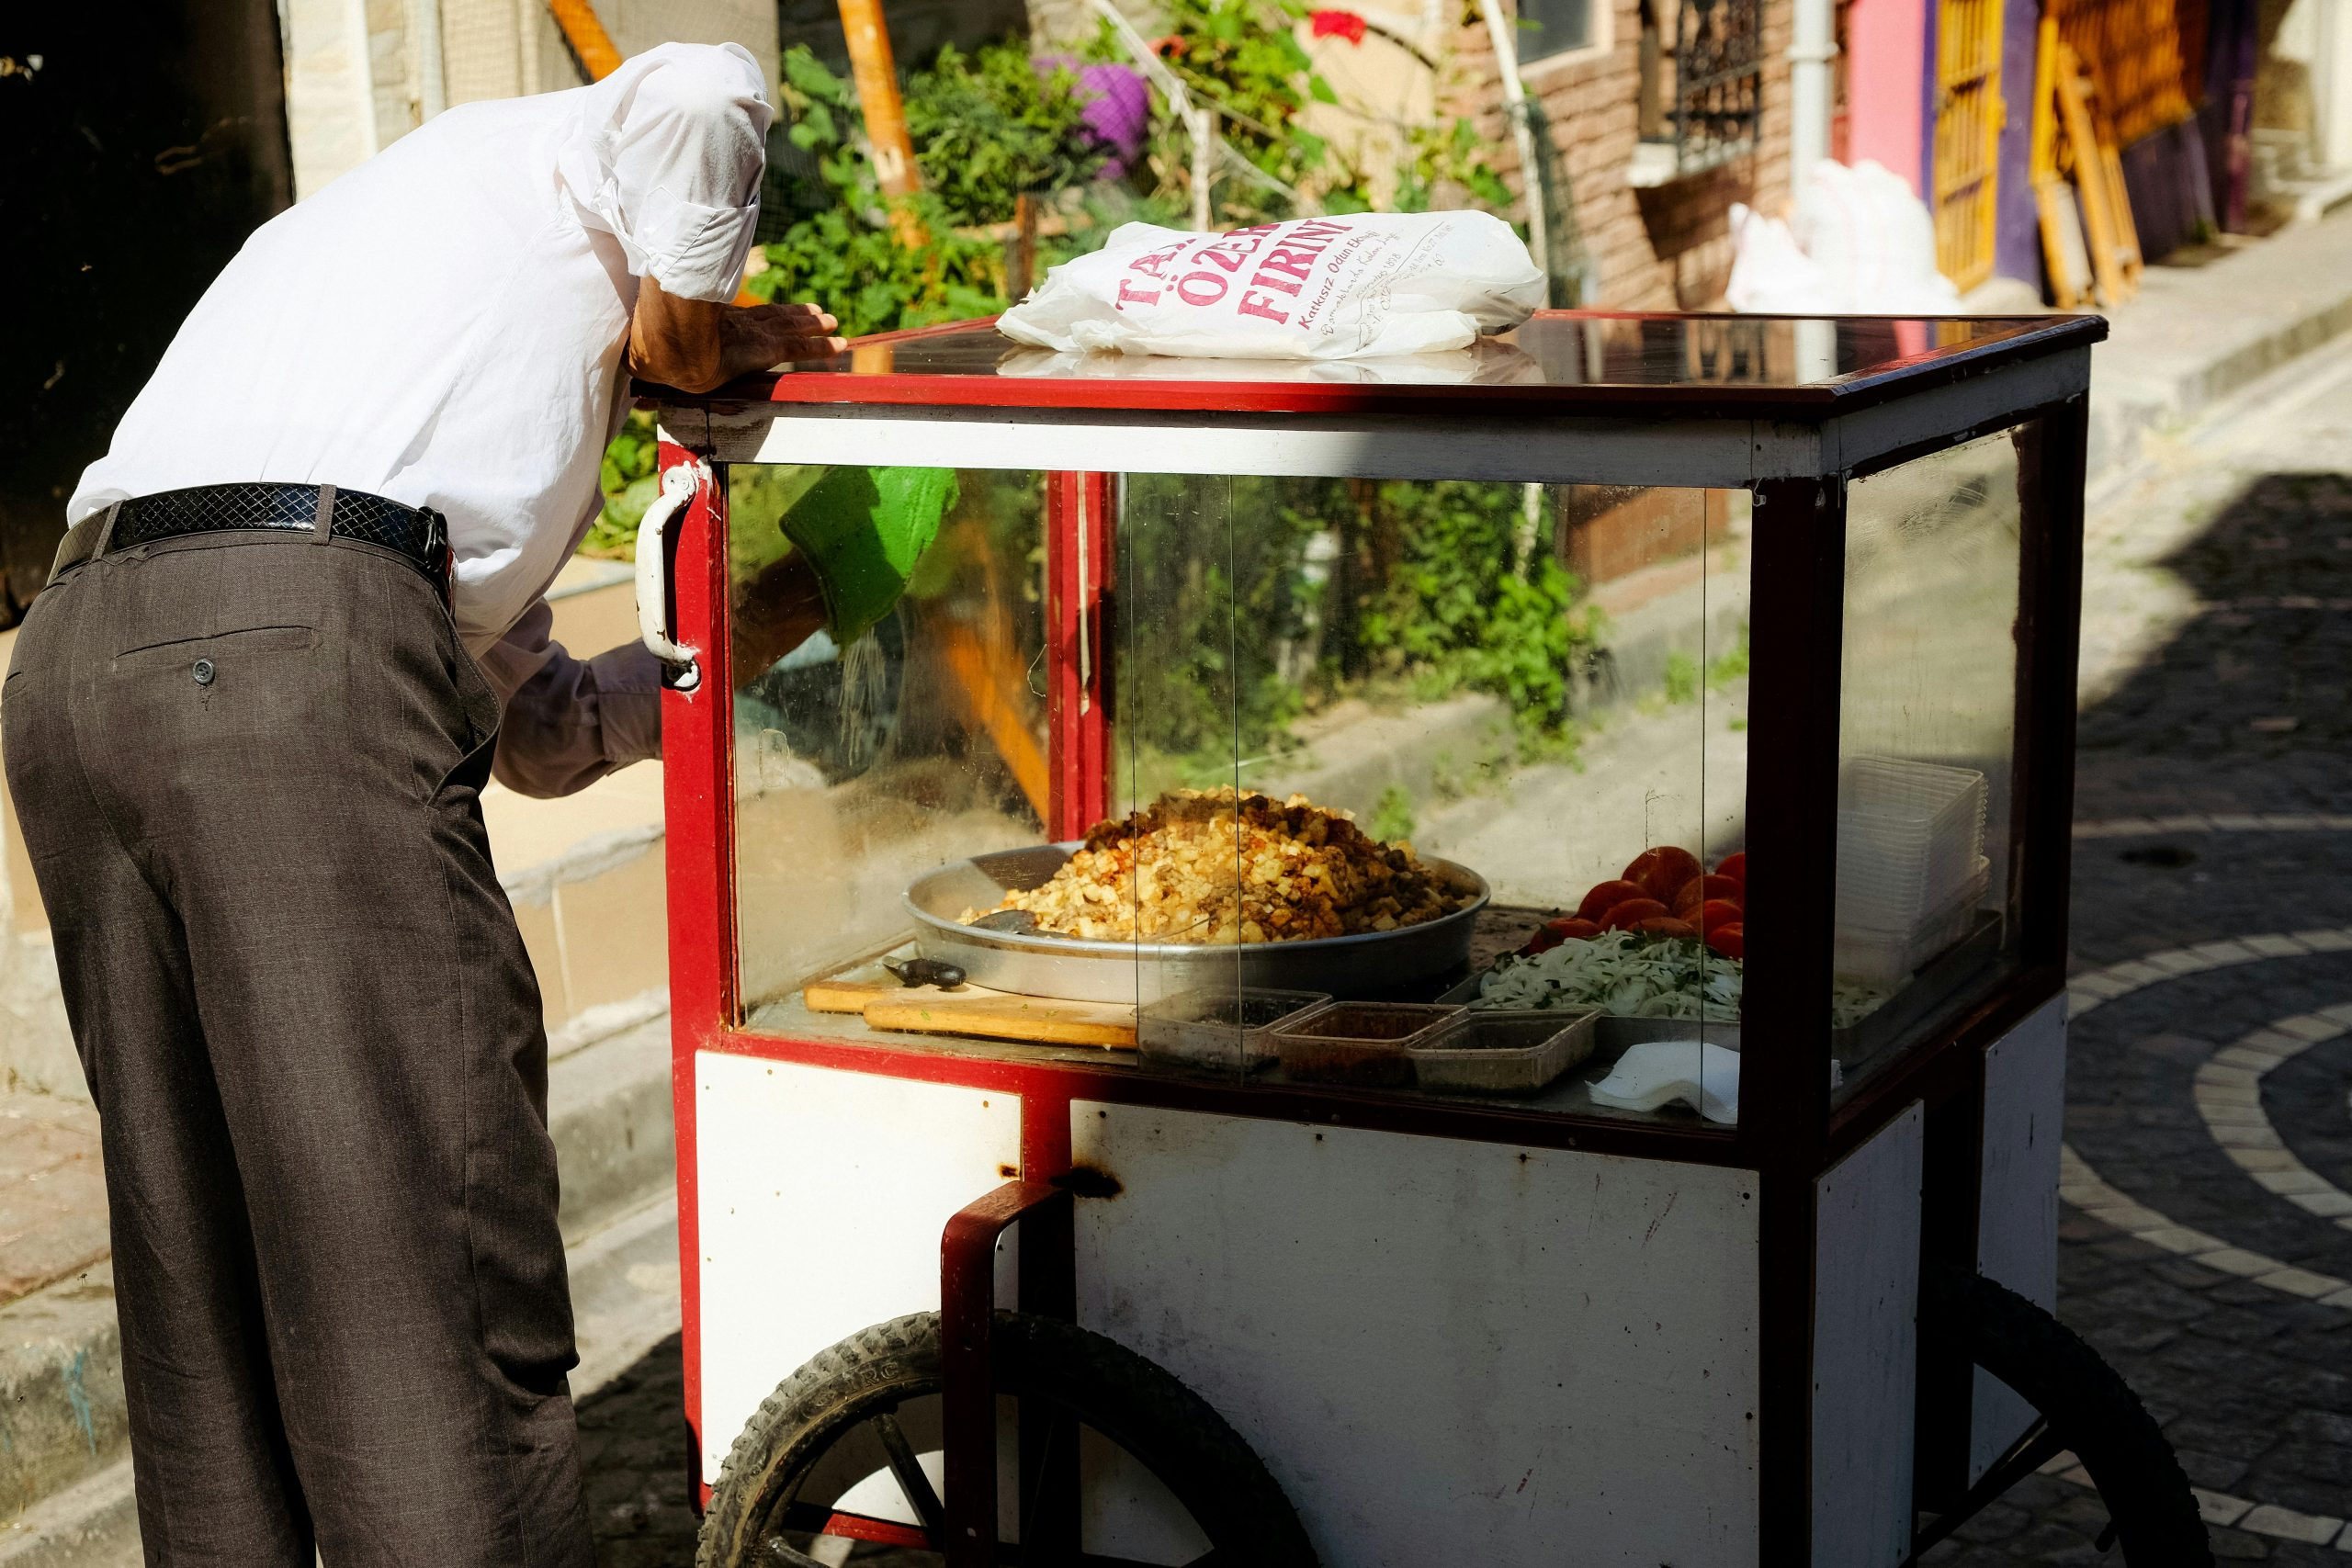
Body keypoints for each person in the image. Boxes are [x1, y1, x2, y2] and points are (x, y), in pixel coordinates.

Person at [3, 41, 842, 1566]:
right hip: (285, 651)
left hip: (72, 661)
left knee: (210, 1304)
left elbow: (527, 730)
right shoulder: (562, 147)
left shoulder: (371, 281)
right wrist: (701, 334)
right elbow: (705, 91)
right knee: (414, 1276)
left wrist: (760, 626)